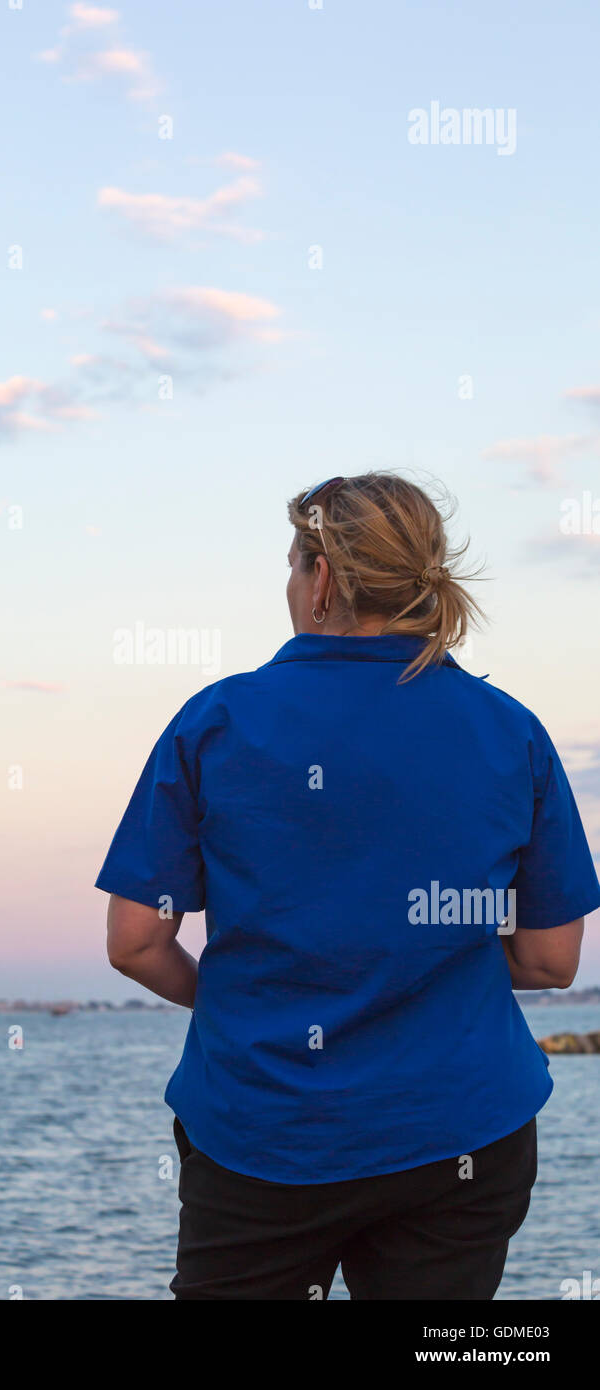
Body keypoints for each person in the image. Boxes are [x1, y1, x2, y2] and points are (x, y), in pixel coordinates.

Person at [94, 472, 599, 1301]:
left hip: (265, 1133)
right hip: (463, 1135)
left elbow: (135, 943)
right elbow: (550, 960)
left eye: (294, 564)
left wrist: (247, 996)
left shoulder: (215, 723)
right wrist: (420, 949)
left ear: (321, 576)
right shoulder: (512, 730)